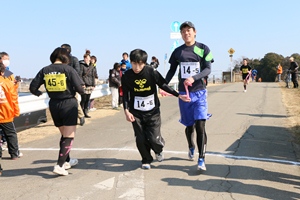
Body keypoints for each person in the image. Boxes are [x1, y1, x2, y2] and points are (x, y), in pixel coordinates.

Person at [122, 49, 190, 169]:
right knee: (140, 137)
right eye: (134, 63)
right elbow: (125, 96)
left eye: (140, 64)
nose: (137, 67)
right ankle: (146, 159)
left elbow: (163, 84)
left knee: (154, 138)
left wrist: (178, 95)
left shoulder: (151, 72)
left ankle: (158, 149)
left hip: (152, 111)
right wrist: (126, 111)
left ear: (144, 63)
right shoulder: (127, 76)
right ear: (130, 62)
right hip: (136, 112)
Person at [165, 21, 213, 171]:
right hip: (184, 94)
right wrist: (163, 86)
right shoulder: (178, 52)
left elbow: (208, 69)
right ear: (181, 34)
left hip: (199, 92)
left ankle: (201, 159)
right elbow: (172, 71)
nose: (186, 33)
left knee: (201, 125)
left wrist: (194, 77)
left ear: (195, 32)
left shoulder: (203, 48)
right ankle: (191, 145)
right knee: (189, 126)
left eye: (189, 30)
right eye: (183, 31)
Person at [29, 47, 85, 176]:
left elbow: (33, 87)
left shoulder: (45, 70)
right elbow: (80, 89)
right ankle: (59, 165)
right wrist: (83, 89)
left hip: (54, 104)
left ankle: (67, 161)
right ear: (66, 58)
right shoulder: (68, 69)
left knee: (64, 135)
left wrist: (40, 93)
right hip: (68, 104)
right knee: (69, 136)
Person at [0, 62, 23, 161]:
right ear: (2, 72)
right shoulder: (6, 83)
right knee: (10, 134)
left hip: (5, 112)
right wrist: (16, 112)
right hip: (5, 113)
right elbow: (13, 98)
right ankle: (14, 154)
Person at [61, 44, 85, 125]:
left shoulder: (74, 59)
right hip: (62, 85)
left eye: (62, 49)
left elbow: (77, 72)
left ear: (67, 50)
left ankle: (81, 116)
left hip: (72, 85)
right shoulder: (60, 61)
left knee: (74, 101)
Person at [79, 50, 97, 118]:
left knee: (87, 99)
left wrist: (93, 85)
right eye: (85, 58)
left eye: (87, 58)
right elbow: (80, 75)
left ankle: (85, 112)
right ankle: (81, 113)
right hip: (84, 84)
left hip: (90, 84)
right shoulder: (81, 65)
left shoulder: (92, 66)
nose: (86, 59)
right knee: (83, 99)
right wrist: (82, 83)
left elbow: (93, 76)